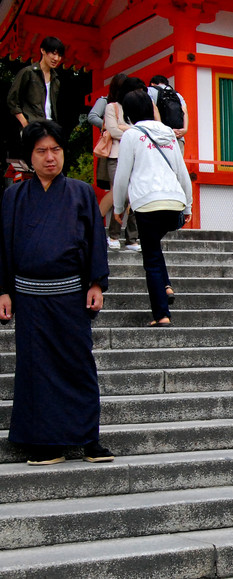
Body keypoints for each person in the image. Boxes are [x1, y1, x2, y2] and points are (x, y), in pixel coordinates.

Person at [0, 120, 113, 465]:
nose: (50, 158)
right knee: (36, 368)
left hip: (70, 295)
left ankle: (87, 437)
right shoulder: (14, 196)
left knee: (78, 363)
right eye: (42, 151)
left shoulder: (80, 193)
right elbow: (4, 245)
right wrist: (3, 291)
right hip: (30, 297)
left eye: (56, 150)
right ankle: (44, 442)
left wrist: (96, 282)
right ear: (29, 158)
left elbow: (95, 241)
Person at [112, 90, 192, 327]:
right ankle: (166, 287)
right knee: (155, 250)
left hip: (147, 204)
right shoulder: (168, 133)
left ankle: (161, 315)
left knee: (151, 260)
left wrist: (119, 207)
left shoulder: (131, 136)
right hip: (173, 202)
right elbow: (182, 172)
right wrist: (187, 205)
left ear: (128, 114)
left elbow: (122, 175)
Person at [103, 73, 140, 252]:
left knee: (135, 196)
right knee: (121, 195)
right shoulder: (112, 107)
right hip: (116, 155)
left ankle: (132, 238)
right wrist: (130, 130)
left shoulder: (134, 107)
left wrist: (125, 128)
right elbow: (113, 131)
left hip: (134, 156)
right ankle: (113, 235)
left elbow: (140, 129)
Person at [7, 37, 64, 131]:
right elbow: (12, 100)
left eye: (59, 55)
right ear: (43, 50)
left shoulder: (56, 80)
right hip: (32, 126)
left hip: (50, 126)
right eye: (53, 53)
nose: (56, 58)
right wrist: (25, 124)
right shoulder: (28, 72)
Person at [147, 75, 188, 156]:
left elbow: (154, 108)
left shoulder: (150, 90)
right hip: (178, 136)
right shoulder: (176, 94)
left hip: (159, 137)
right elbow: (185, 111)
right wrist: (184, 130)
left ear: (152, 84)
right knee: (177, 167)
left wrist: (162, 129)